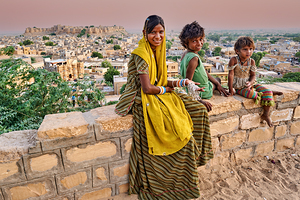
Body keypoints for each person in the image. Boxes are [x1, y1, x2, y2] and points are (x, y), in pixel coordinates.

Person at [115, 15, 213, 199]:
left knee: (199, 110)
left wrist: (181, 82)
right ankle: (171, 183)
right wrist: (167, 89)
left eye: (161, 32)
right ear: (145, 33)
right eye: (153, 32)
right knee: (179, 133)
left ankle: (197, 159)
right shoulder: (142, 54)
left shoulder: (157, 52)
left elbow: (158, 80)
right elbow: (147, 87)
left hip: (157, 92)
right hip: (143, 98)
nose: (157, 36)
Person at [228, 36, 283, 127]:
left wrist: (250, 83)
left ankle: (265, 114)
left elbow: (253, 76)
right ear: (237, 51)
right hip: (238, 87)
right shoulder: (234, 60)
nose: (248, 52)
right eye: (245, 49)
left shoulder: (252, 61)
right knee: (252, 95)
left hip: (250, 83)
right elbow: (231, 75)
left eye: (251, 49)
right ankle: (263, 93)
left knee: (268, 92)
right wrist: (231, 89)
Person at [179, 21, 229, 112]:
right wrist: (199, 100)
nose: (199, 43)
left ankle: (217, 85)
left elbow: (205, 73)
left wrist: (218, 84)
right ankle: (215, 87)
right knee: (218, 80)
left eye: (201, 39)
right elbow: (188, 82)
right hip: (202, 91)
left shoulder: (185, 54)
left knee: (217, 81)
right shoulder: (194, 58)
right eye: (194, 41)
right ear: (186, 43)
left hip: (200, 87)